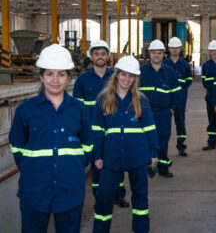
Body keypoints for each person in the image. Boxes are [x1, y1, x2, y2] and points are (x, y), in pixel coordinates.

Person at [9, 44, 93, 233]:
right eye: (49, 74)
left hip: (70, 190)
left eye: (61, 74)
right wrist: (32, 169)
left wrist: (73, 167)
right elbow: (17, 146)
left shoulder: (79, 110)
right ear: (41, 76)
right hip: (34, 191)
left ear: (69, 76)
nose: (55, 80)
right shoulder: (26, 110)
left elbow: (88, 146)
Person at [92, 55, 158, 233]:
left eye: (131, 76)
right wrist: (97, 154)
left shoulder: (140, 100)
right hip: (111, 155)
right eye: (123, 75)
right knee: (104, 197)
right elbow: (97, 130)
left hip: (138, 155)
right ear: (116, 74)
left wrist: (153, 153)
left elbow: (150, 128)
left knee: (140, 197)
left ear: (135, 79)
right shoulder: (103, 100)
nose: (126, 79)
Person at [73, 39, 129, 208]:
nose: (100, 56)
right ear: (91, 56)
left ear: (108, 56)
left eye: (103, 53)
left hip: (112, 128)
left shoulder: (116, 77)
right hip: (91, 130)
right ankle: (100, 197)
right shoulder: (82, 80)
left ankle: (119, 195)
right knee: (97, 166)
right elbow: (78, 107)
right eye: (96, 53)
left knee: (117, 163)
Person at [139, 40, 181, 177]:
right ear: (149, 53)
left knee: (163, 141)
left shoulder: (170, 72)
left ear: (163, 54)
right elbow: (133, 92)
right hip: (145, 113)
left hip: (164, 113)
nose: (156, 55)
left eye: (159, 53)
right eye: (154, 52)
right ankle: (146, 167)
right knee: (145, 140)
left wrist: (172, 109)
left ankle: (163, 168)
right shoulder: (141, 71)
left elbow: (177, 93)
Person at [163, 37, 193, 157]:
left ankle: (181, 146)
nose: (174, 50)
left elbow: (189, 79)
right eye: (172, 47)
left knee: (180, 122)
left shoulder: (185, 64)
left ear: (180, 49)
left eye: (177, 48)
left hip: (180, 98)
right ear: (169, 49)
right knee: (165, 122)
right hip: (166, 98)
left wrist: (181, 90)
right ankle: (162, 146)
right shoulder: (164, 63)